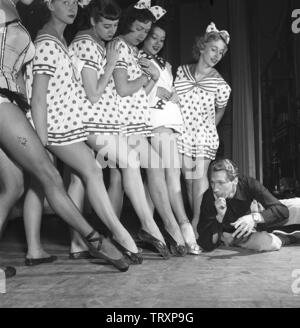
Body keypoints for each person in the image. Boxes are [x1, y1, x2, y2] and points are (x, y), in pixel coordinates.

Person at [0, 0, 128, 276]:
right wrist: (41, 136)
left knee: (13, 188)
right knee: (51, 177)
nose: (72, 6)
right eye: (65, 1)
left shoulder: (14, 10)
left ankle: (58, 244)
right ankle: (96, 240)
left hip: (12, 103)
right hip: (2, 101)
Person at [68, 0, 173, 261]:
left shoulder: (98, 43)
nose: (111, 31)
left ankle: (79, 243)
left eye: (114, 25)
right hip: (87, 119)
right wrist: (113, 62)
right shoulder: (86, 44)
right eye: (107, 25)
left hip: (100, 119)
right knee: (125, 162)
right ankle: (133, 230)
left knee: (81, 177)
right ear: (92, 21)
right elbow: (94, 93)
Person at [112, 0, 188, 257]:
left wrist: (151, 80)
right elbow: (123, 90)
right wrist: (150, 79)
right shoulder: (121, 47)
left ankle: (163, 226)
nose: (144, 37)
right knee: (122, 177)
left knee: (151, 169)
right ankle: (162, 227)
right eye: (142, 31)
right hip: (122, 122)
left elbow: (139, 96)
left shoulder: (133, 52)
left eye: (149, 32)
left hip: (136, 121)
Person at [140, 21, 201, 254]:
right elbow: (141, 90)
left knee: (155, 179)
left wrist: (172, 93)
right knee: (172, 175)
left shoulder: (167, 65)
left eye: (161, 39)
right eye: (153, 36)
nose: (157, 42)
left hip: (172, 122)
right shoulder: (140, 59)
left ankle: (149, 229)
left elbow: (170, 91)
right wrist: (162, 91)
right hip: (157, 121)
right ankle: (183, 230)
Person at [174, 22, 231, 238]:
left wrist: (207, 129)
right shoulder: (181, 72)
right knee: (188, 182)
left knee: (199, 178)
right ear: (202, 47)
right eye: (214, 49)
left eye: (221, 52)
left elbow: (221, 111)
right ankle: (200, 223)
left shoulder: (221, 84)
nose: (217, 55)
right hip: (182, 134)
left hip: (205, 136)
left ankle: (196, 227)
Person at [197, 159, 300, 252]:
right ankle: (289, 237)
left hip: (258, 216)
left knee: (297, 205)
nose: (215, 188)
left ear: (235, 181)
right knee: (269, 243)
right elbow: (206, 244)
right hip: (238, 234)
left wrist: (254, 218)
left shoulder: (247, 184)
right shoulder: (209, 197)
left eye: (220, 183)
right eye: (212, 183)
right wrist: (219, 217)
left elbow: (282, 210)